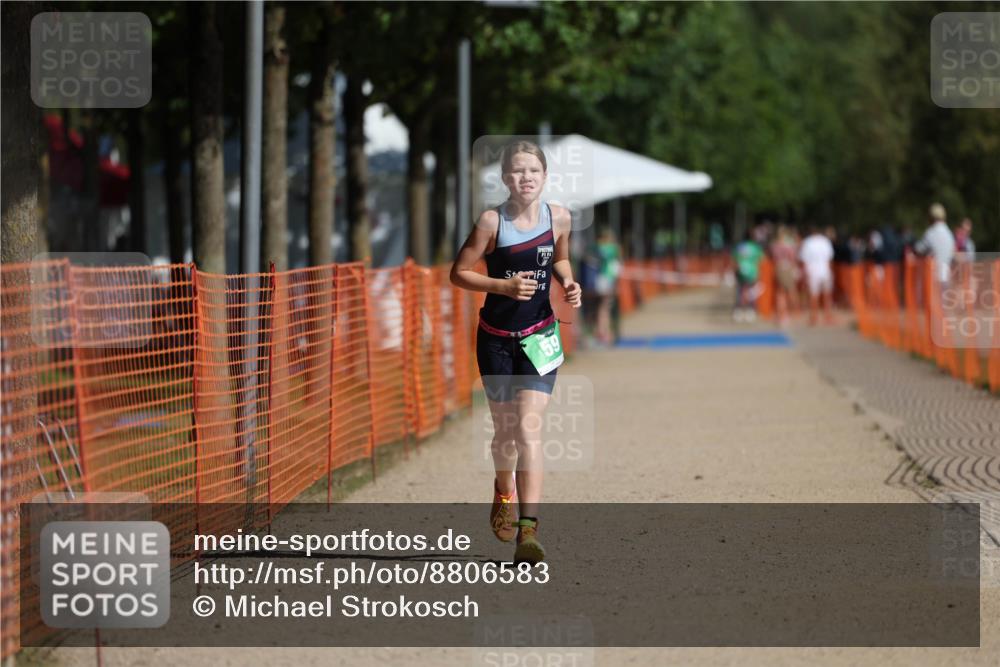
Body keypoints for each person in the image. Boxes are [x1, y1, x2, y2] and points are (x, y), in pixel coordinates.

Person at [450, 140, 582, 565]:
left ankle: (529, 532)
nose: (526, 178)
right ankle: (503, 488)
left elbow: (559, 259)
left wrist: (568, 282)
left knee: (527, 429)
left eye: (533, 171)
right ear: (506, 178)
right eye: (518, 171)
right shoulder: (492, 222)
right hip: (495, 338)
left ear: (545, 177)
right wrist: (502, 286)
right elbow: (460, 273)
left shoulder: (558, 217)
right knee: (505, 434)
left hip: (540, 336)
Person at [799, 224, 835, 325]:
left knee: (813, 295)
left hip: (812, 272)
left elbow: (804, 260)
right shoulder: (825, 241)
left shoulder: (807, 242)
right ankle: (828, 316)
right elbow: (830, 258)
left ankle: (814, 317)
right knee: (827, 295)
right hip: (825, 271)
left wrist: (805, 274)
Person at [914, 203, 956, 284]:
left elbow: (919, 249)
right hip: (945, 276)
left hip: (932, 277)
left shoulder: (931, 232)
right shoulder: (949, 234)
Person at [593, 227, 622, 345]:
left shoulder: (599, 248)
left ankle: (602, 331)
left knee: (603, 307)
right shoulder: (611, 249)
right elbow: (617, 261)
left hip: (602, 279)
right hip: (606, 280)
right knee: (605, 307)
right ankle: (603, 332)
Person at [769, 225, 800, 327]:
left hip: (778, 269)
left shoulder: (774, 246)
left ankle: (781, 315)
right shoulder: (788, 246)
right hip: (787, 269)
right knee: (790, 291)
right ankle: (791, 313)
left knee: (780, 293)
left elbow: (773, 257)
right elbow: (793, 258)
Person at [732, 231, 764, 322]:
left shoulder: (739, 246)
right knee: (751, 293)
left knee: (740, 292)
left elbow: (735, 259)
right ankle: (751, 311)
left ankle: (738, 312)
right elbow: (761, 259)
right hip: (752, 272)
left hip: (740, 271)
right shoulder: (755, 247)